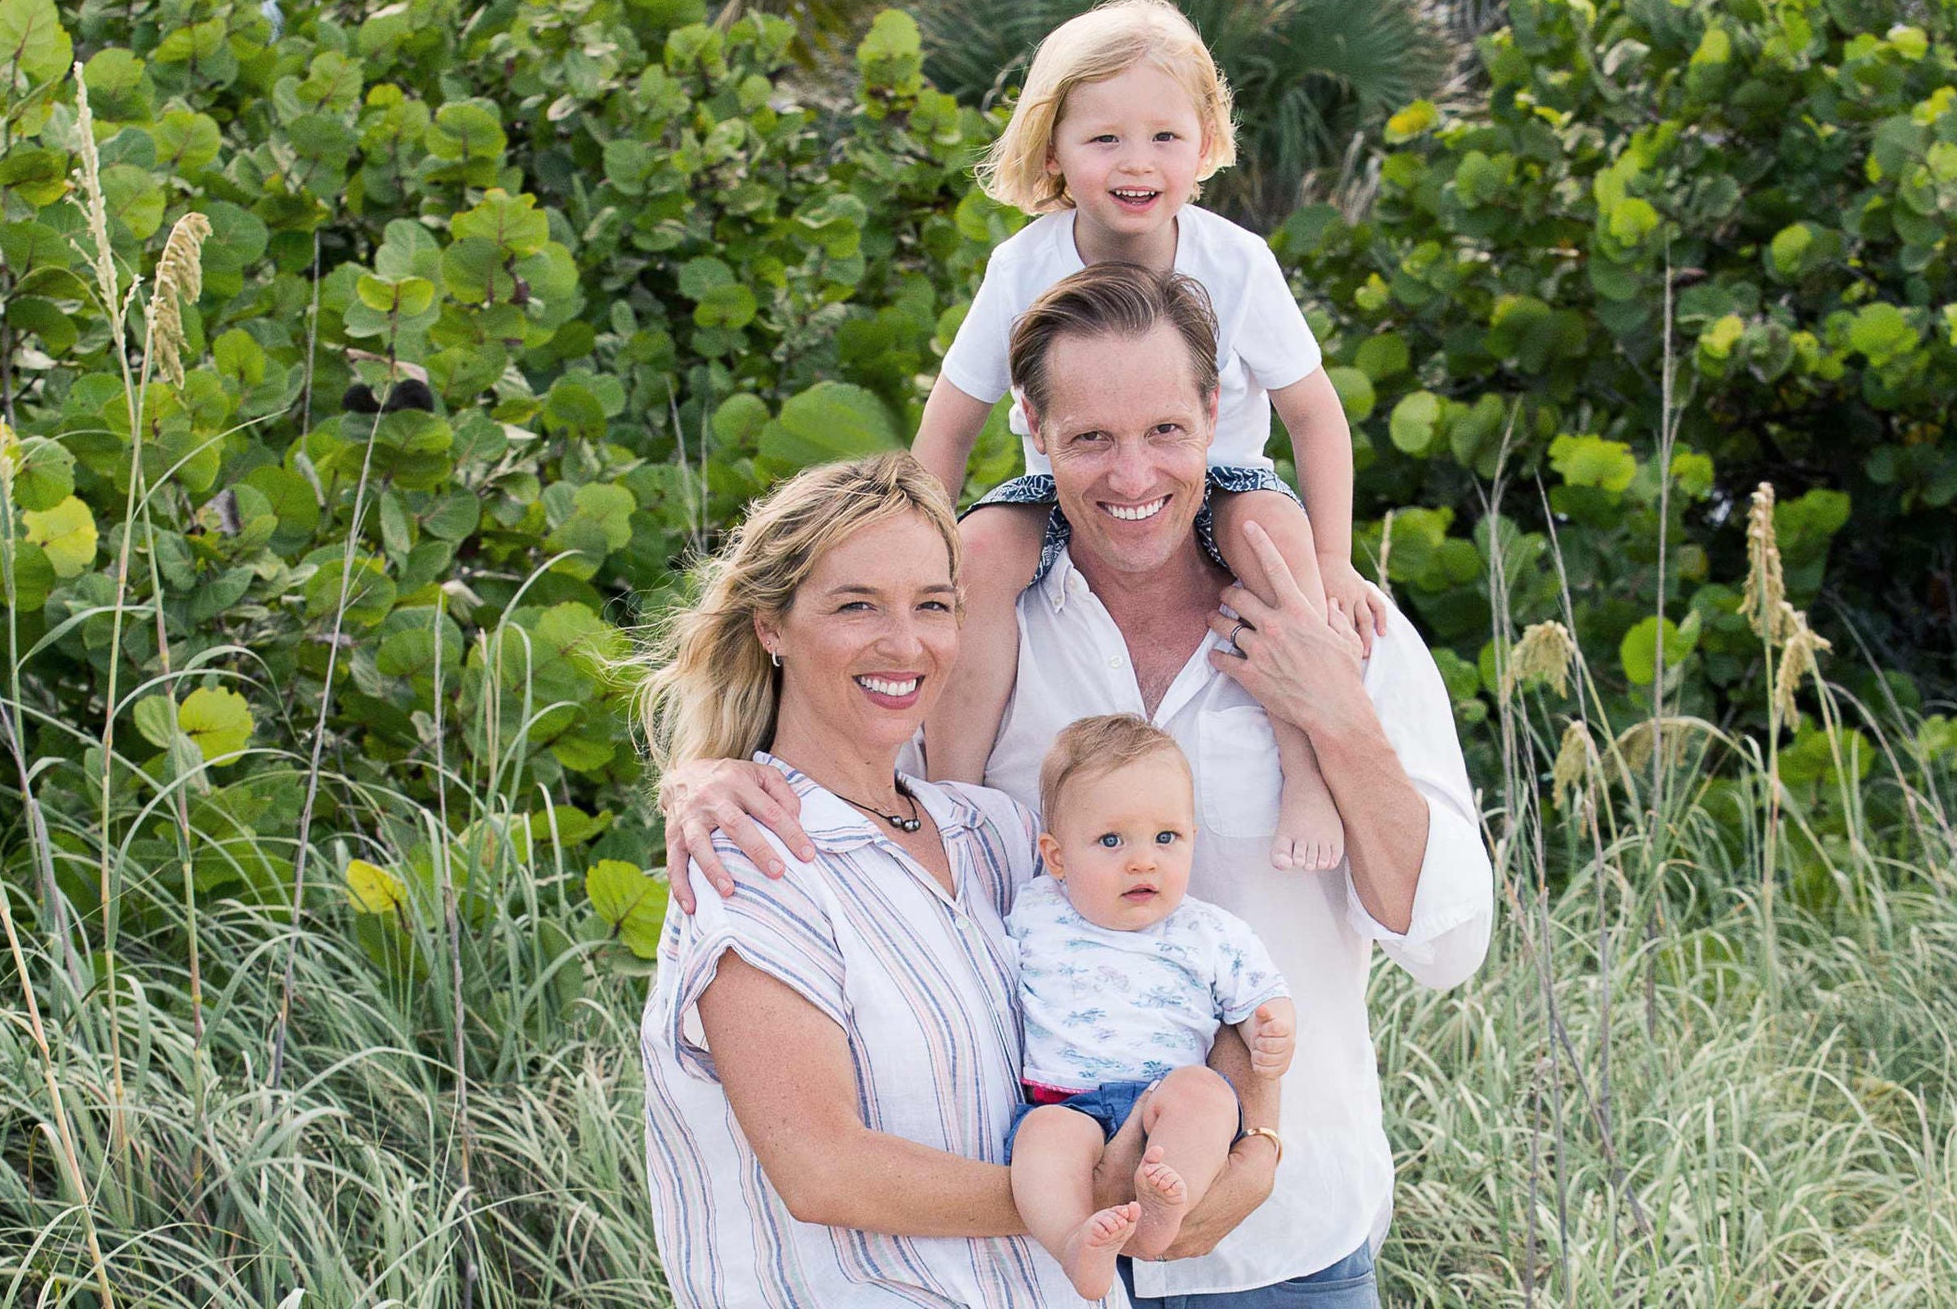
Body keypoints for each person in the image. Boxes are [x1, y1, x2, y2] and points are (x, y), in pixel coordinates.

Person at [661, 264, 1496, 1306]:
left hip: (1281, 1251)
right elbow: (851, 764)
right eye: (1089, 437)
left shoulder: (1334, 624)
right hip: (1017, 1258)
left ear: (1212, 416)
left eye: (1161, 430)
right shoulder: (972, 624)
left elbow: (1448, 945)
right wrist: (705, 769)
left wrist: (1332, 709)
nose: (1131, 473)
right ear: (1032, 430)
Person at [634, 452, 1266, 1307]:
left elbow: (1182, 960)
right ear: (770, 626)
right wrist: (1091, 1195)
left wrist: (1253, 1136)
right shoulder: (750, 862)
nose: (906, 643)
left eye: (932, 605)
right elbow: (824, 1172)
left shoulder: (996, 834)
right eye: (856, 605)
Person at [910, 0, 1388, 873]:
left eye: (1165, 137)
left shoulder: (1237, 261)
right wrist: (922, 554)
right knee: (978, 552)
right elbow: (948, 426)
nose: (1138, 163)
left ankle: (1305, 769)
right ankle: (956, 793)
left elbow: (1315, 415)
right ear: (1052, 150)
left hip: (1220, 476)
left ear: (1205, 143)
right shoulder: (1023, 263)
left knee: (1271, 537)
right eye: (1105, 140)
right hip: (1067, 486)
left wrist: (1334, 563)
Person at [1006, 714, 1296, 1300]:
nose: (1144, 861)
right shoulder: (1033, 912)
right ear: (1057, 858)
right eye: (1112, 841)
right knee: (1041, 1142)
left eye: (1167, 838)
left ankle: (1167, 1207)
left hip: (1165, 1097)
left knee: (1208, 1095)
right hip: (1065, 1099)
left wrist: (1274, 1027)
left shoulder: (1209, 930)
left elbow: (1260, 996)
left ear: (1192, 837)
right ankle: (1073, 1242)